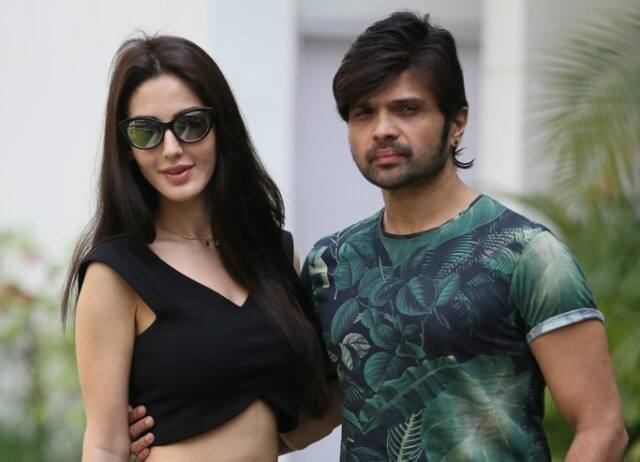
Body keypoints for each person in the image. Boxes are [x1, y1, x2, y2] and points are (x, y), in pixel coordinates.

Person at [130, 12, 629, 462]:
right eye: (363, 112)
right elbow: (320, 409)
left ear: (457, 122)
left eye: (406, 109)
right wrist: (173, 439)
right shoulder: (330, 263)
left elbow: (603, 429)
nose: (383, 129)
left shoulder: (526, 254)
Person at [61, 34, 339, 462]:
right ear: (128, 149)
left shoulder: (275, 255)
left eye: (191, 124)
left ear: (221, 128)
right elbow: (104, 444)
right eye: (146, 132)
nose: (171, 150)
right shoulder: (115, 273)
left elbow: (314, 410)